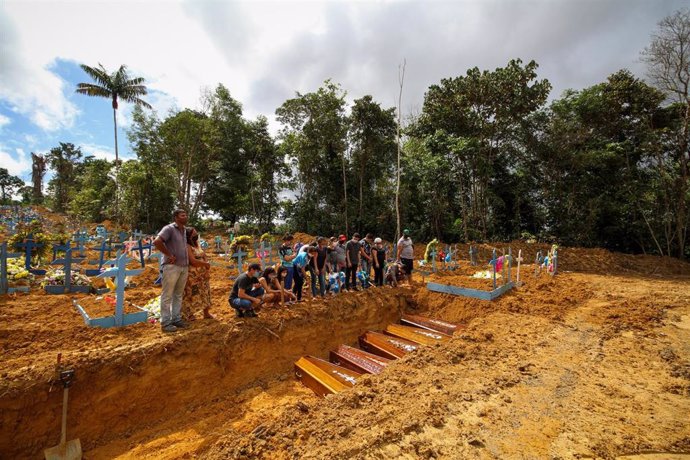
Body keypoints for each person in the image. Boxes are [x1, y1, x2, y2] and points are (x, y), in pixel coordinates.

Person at [153, 209, 191, 333]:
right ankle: (165, 322)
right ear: (176, 217)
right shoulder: (169, 229)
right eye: (182, 215)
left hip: (183, 266)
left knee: (178, 294)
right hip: (171, 267)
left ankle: (176, 319)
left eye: (186, 215)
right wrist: (169, 255)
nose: (185, 217)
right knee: (167, 295)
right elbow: (157, 241)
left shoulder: (184, 231)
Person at [182, 227, 213, 321]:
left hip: (203, 274)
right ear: (188, 236)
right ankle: (190, 314)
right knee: (192, 293)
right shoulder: (187, 246)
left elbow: (204, 255)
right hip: (193, 275)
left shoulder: (197, 245)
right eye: (194, 234)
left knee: (205, 291)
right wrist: (205, 264)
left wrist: (206, 267)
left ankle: (206, 313)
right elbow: (192, 261)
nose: (196, 235)